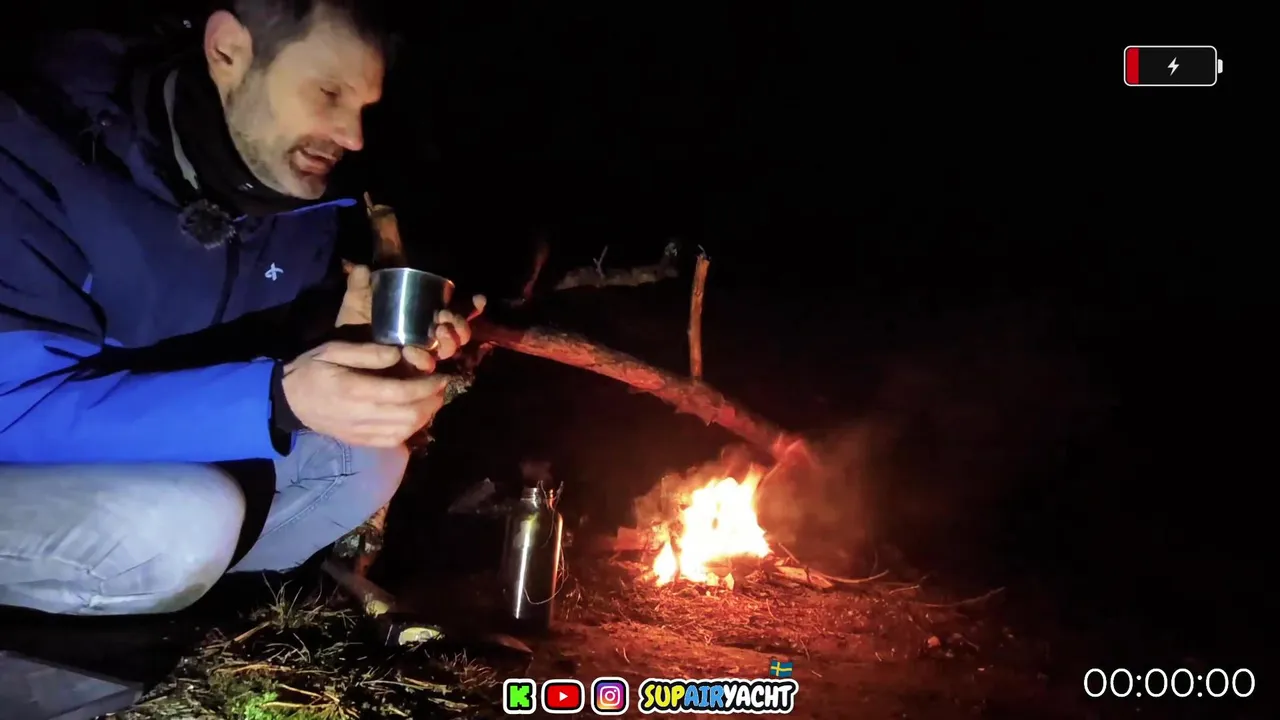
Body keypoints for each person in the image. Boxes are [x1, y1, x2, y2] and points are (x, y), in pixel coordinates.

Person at [0, 0, 481, 615]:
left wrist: (342, 338)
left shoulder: (298, 205)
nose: (353, 136)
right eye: (328, 92)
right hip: (19, 443)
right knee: (188, 522)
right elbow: (13, 411)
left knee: (364, 462)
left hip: (110, 457)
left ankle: (156, 593)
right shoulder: (37, 150)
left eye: (363, 107)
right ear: (228, 50)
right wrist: (278, 400)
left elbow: (229, 356)